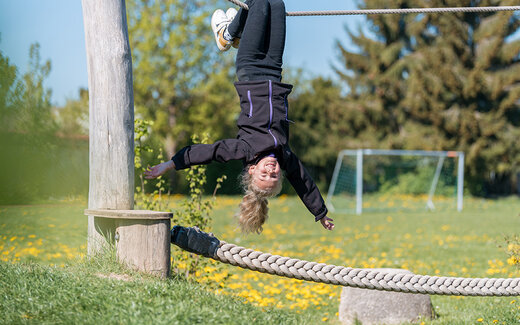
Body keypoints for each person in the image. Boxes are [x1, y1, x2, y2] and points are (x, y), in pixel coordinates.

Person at [145, 0, 334, 233]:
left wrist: (170, 164)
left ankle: (227, 34)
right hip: (274, 70)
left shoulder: (244, 149)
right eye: (274, 176)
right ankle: (233, 33)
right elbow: (302, 182)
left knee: (259, 3)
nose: (271, 170)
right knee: (276, 3)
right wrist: (320, 213)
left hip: (251, 68)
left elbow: (206, 152)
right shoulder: (284, 154)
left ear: (252, 170)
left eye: (264, 174)